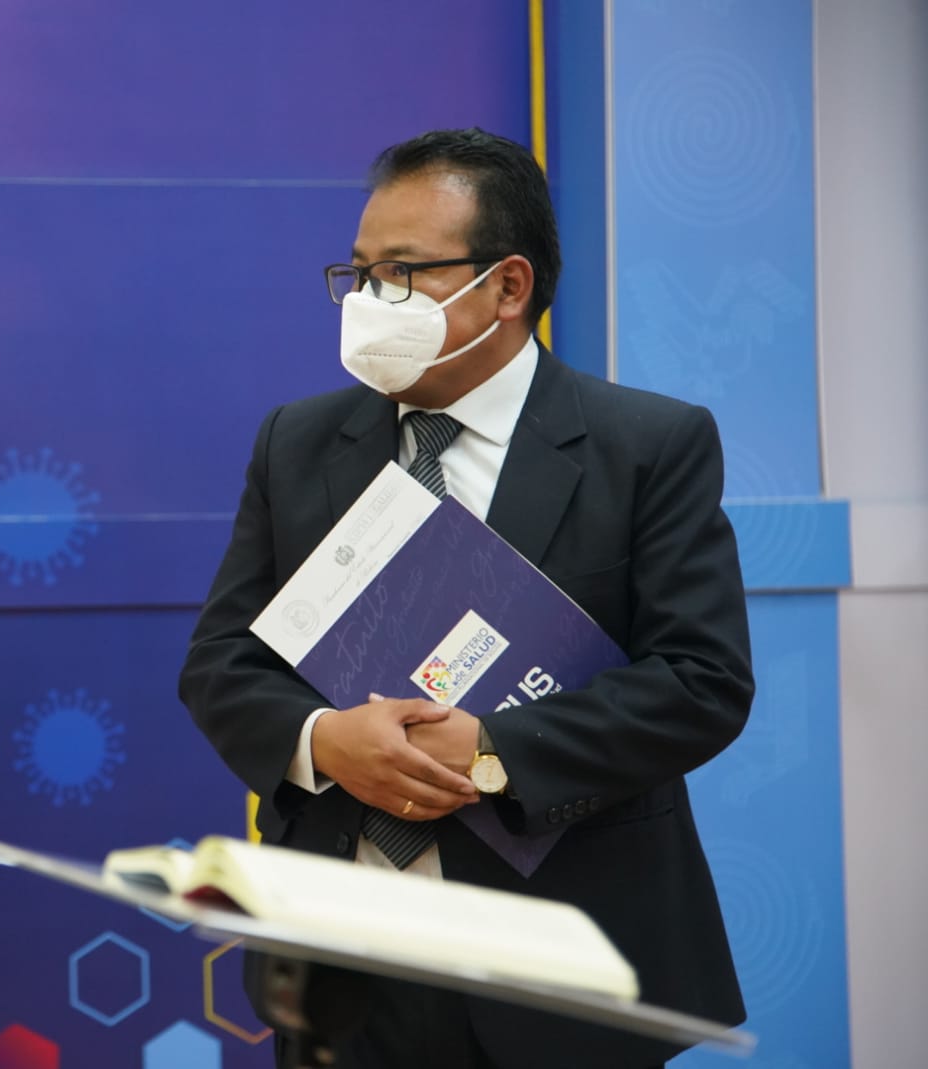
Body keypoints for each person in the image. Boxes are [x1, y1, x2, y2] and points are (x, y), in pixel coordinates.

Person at [179, 128, 752, 1069]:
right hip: (342, 962)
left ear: (508, 286)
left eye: (402, 273)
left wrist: (492, 752)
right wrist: (325, 742)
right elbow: (221, 664)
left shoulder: (647, 446)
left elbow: (701, 682)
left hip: (562, 965)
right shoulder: (298, 443)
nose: (369, 301)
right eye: (359, 273)